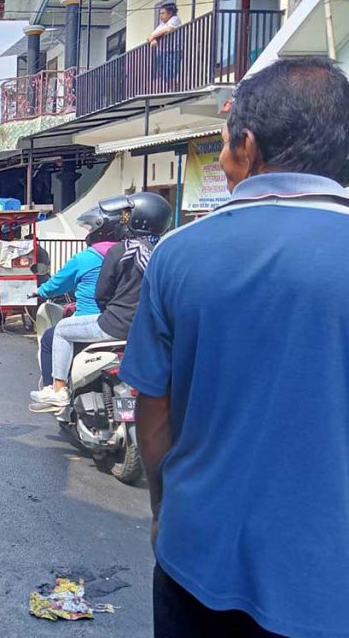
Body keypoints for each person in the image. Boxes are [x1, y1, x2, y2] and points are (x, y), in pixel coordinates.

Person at [121, 57, 349, 638]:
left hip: (198, 555)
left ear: (247, 144)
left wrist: (161, 510)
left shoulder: (179, 254)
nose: (222, 162)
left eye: (223, 147)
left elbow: (153, 416)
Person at [31, 193, 171, 407]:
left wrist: (111, 309)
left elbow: (102, 293)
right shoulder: (164, 253)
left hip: (115, 324)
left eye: (127, 216)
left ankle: (58, 390)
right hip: (151, 328)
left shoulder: (121, 250)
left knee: (60, 331)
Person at [32, 204, 123, 390]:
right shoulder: (133, 253)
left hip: (96, 321)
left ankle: (55, 389)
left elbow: (57, 284)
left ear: (98, 231)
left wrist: (40, 291)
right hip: (129, 324)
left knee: (51, 337)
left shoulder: (85, 258)